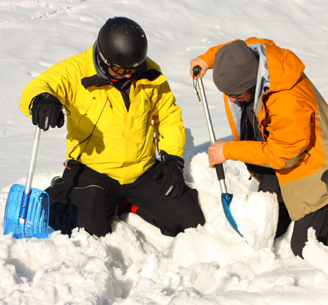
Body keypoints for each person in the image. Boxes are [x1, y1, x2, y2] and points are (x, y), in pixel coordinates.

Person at [190, 38, 328, 258]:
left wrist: (228, 150)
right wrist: (207, 60)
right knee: (270, 224)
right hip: (293, 152)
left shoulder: (286, 102)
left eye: (235, 95)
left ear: (251, 81)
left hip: (320, 165)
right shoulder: (261, 56)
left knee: (306, 244)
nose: (231, 100)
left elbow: (281, 156)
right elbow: (234, 50)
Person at [20, 17, 205, 238]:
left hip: (141, 170)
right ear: (103, 58)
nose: (128, 75)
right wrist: (42, 99)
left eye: (133, 70)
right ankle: (63, 193)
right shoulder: (76, 70)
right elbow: (40, 85)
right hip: (93, 170)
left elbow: (168, 115)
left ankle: (125, 202)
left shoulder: (149, 72)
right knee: (90, 232)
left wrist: (173, 160)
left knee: (190, 221)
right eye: (119, 70)